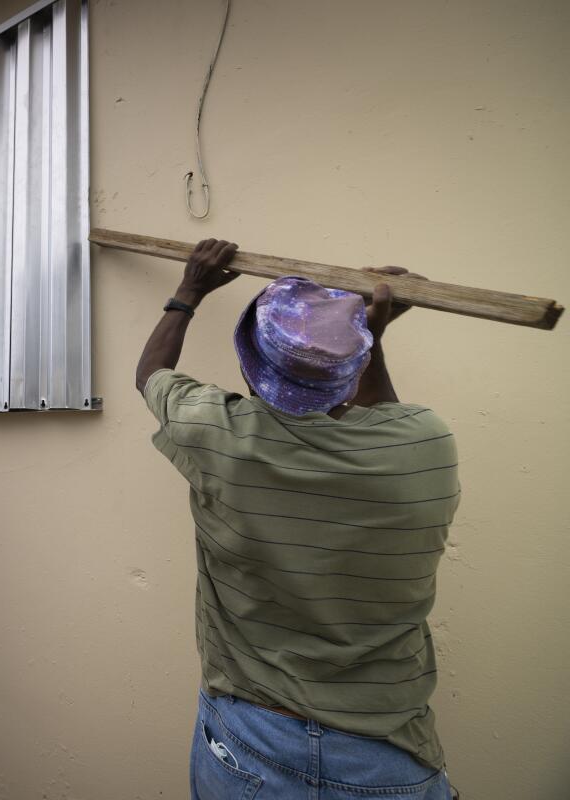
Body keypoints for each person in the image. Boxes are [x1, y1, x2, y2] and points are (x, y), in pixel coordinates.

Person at [136, 240, 459, 799]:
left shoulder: (221, 434)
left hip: (250, 740)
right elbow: (385, 420)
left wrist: (190, 289)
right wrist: (368, 337)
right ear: (353, 369)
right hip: (386, 757)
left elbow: (151, 373)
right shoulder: (426, 445)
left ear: (256, 363)